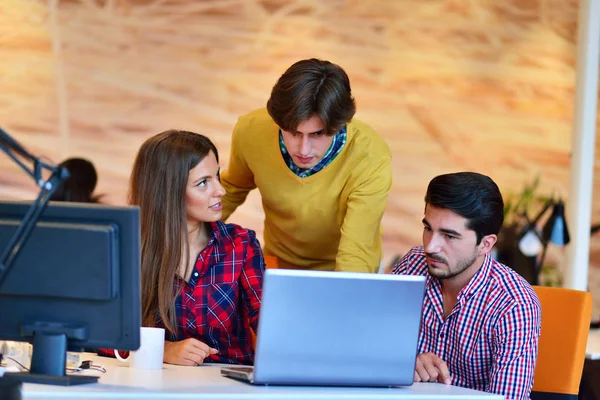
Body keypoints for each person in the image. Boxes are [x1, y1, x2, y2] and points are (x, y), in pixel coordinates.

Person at [221, 58, 392, 273]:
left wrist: (346, 297)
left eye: (317, 134)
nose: (303, 150)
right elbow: (232, 189)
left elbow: (356, 252)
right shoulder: (251, 130)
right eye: (293, 132)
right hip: (278, 263)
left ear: (339, 125)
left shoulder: (370, 157)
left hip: (344, 268)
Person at [391, 172, 541, 400]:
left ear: (486, 244)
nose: (431, 247)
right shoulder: (413, 265)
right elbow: (368, 350)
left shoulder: (513, 305)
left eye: (449, 236)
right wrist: (404, 362)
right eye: (428, 228)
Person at [126, 130, 264, 366]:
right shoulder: (129, 249)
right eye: (203, 183)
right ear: (168, 193)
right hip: (155, 389)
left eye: (216, 177)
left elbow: (270, 326)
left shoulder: (241, 245)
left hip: (228, 389)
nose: (220, 190)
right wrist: (163, 350)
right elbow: (100, 334)